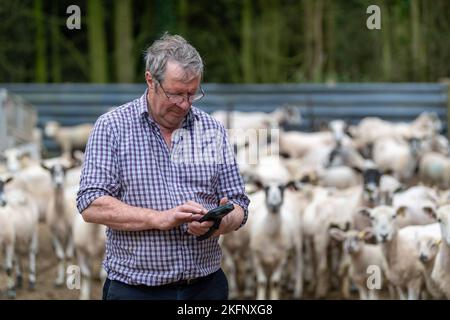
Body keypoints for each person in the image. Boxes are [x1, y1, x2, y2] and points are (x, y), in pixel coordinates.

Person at [76, 33, 249, 300]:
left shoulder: (212, 129)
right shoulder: (112, 127)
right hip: (135, 290)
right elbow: (91, 203)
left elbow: (239, 203)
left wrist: (219, 222)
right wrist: (159, 218)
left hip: (205, 288)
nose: (184, 104)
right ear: (150, 81)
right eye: (176, 93)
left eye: (193, 93)